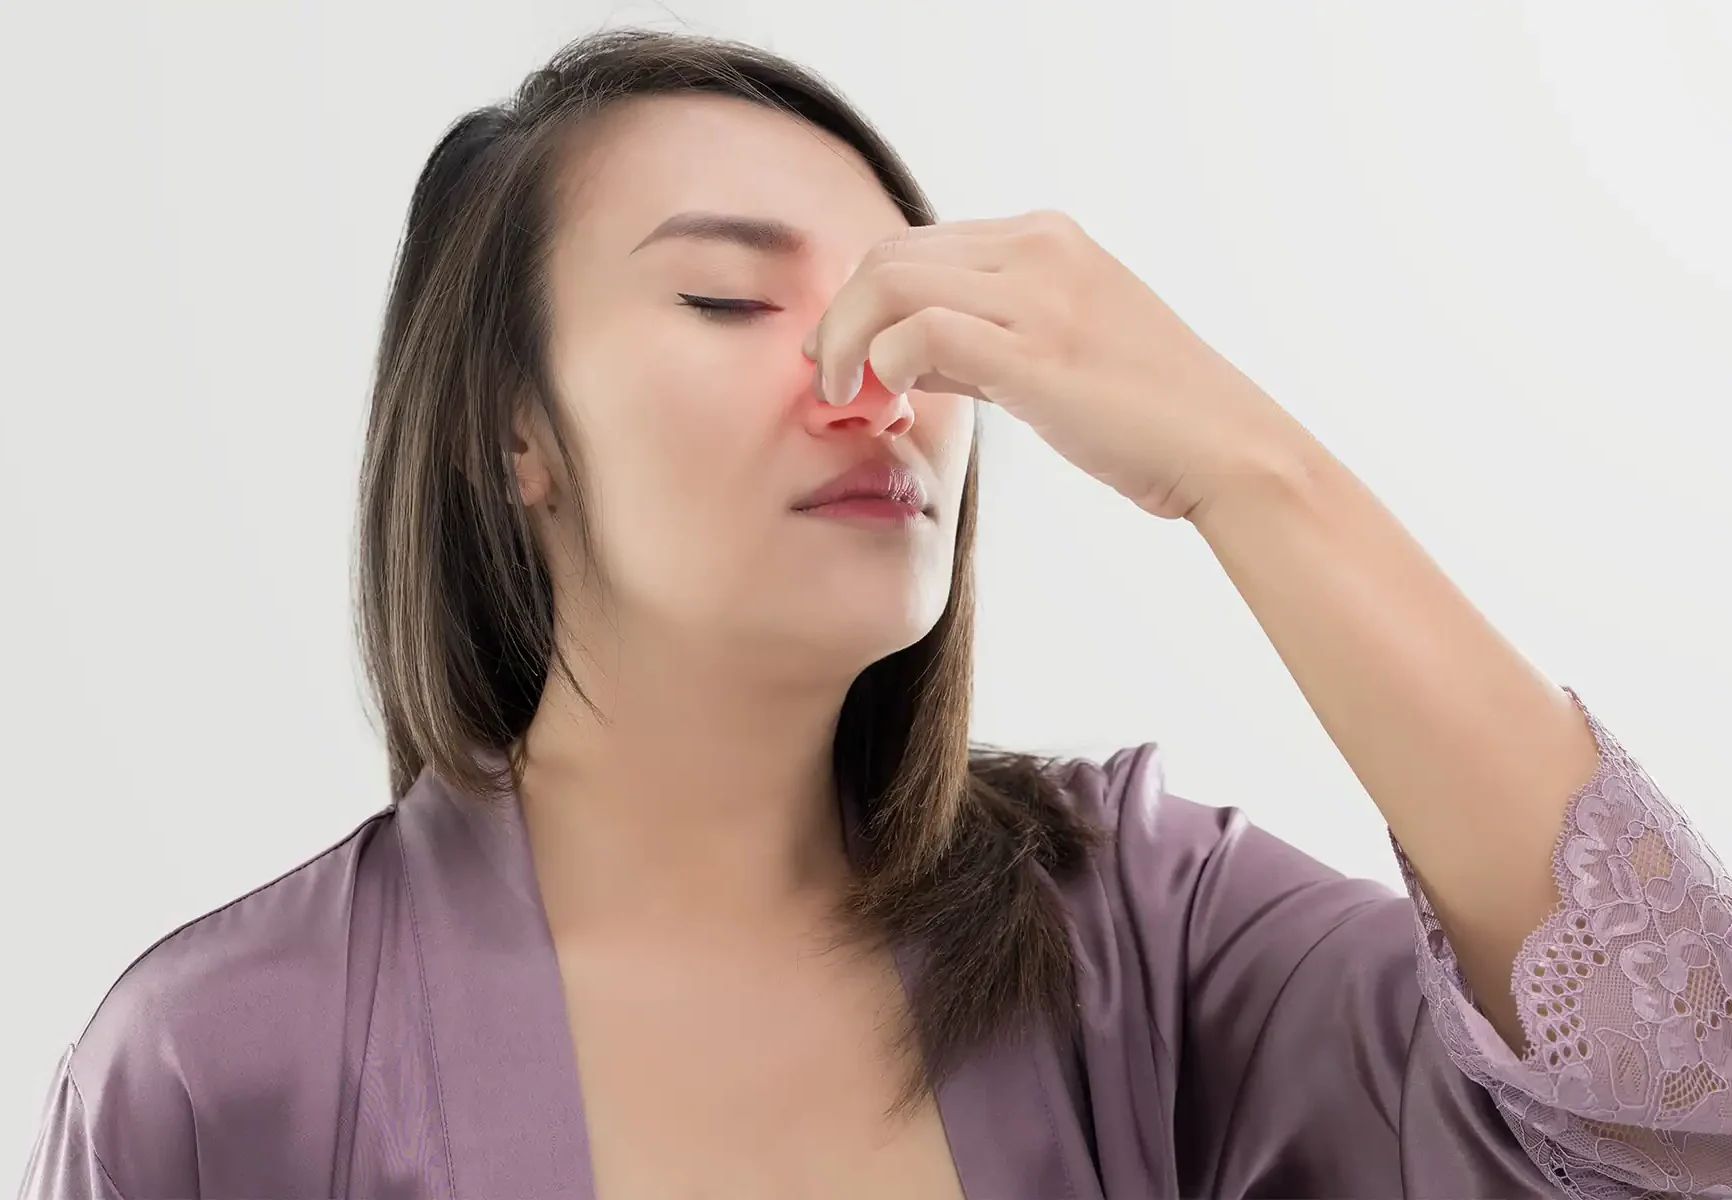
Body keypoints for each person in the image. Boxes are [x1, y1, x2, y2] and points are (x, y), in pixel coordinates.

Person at [20, 26, 1730, 1200]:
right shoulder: (217, 1067)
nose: (871, 381)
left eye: (923, 315)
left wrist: (1244, 468)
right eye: (724, 295)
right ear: (512, 434)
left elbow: (1681, 1102)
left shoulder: (1138, 930)